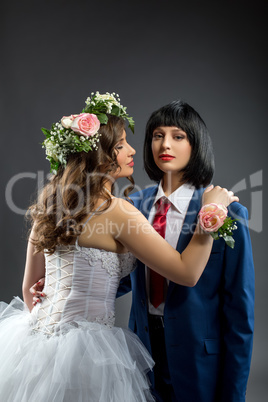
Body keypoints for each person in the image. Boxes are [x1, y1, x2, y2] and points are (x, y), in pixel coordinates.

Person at [6, 92, 236, 402]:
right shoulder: (119, 211)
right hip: (89, 353)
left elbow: (29, 292)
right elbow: (186, 271)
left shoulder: (49, 205)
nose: (132, 150)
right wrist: (212, 211)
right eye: (120, 145)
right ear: (98, 157)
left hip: (36, 344)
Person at [117, 100, 255, 402]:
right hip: (142, 349)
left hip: (200, 357)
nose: (165, 144)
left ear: (196, 145)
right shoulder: (132, 207)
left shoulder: (226, 212)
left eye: (178, 136)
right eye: (157, 135)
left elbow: (239, 311)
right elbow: (122, 275)